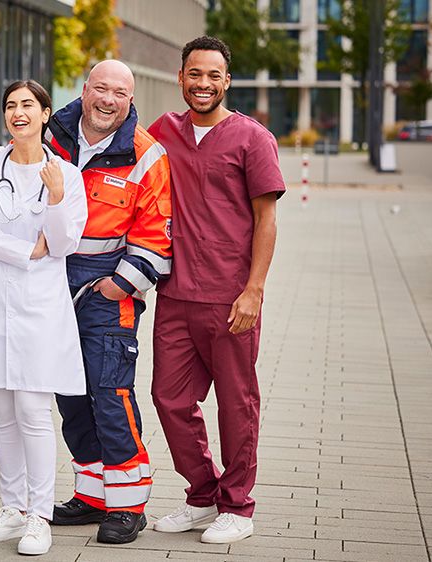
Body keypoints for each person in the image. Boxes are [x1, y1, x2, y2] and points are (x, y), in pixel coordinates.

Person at [0, 60, 173, 545]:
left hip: (102, 291)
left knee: (108, 393)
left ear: (131, 98)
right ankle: (89, 494)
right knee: (69, 400)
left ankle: (126, 503)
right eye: (99, 88)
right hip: (40, 288)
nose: (107, 99)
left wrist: (120, 284)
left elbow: (153, 232)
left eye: (118, 92)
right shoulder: (61, 131)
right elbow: (10, 161)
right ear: (83, 92)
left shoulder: (146, 155)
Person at [147, 36, 284, 544]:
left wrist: (254, 290)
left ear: (227, 81)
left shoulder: (252, 138)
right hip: (176, 293)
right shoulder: (163, 132)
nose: (202, 84)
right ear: (181, 77)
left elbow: (267, 219)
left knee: (235, 402)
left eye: (213, 76)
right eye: (194, 74)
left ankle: (238, 506)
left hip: (231, 298)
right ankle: (203, 494)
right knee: (169, 398)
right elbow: (99, 122)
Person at [0, 80, 87, 557]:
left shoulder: (66, 177)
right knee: (2, 413)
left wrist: (53, 199)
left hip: (39, 308)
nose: (18, 113)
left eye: (28, 105)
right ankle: (10, 507)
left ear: (46, 113)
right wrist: (28, 250)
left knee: (33, 411)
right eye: (11, 106)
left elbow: (67, 242)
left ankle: (39, 514)